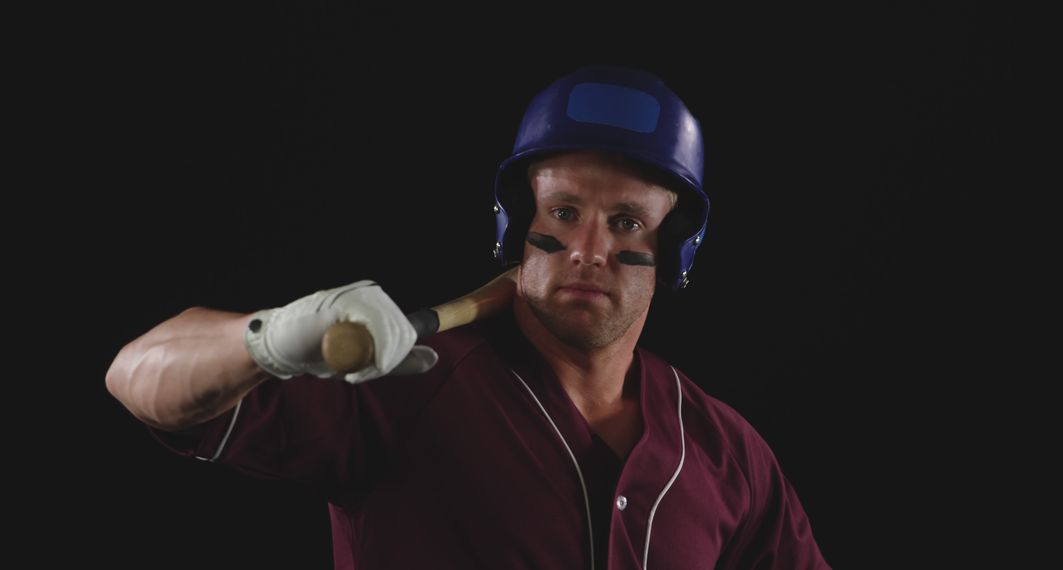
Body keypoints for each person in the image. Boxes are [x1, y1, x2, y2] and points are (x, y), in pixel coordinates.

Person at [107, 65, 829, 569]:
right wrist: (266, 339)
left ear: (674, 251)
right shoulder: (405, 380)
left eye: (627, 223)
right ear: (518, 221)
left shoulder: (726, 450)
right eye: (564, 211)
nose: (586, 249)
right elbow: (135, 378)